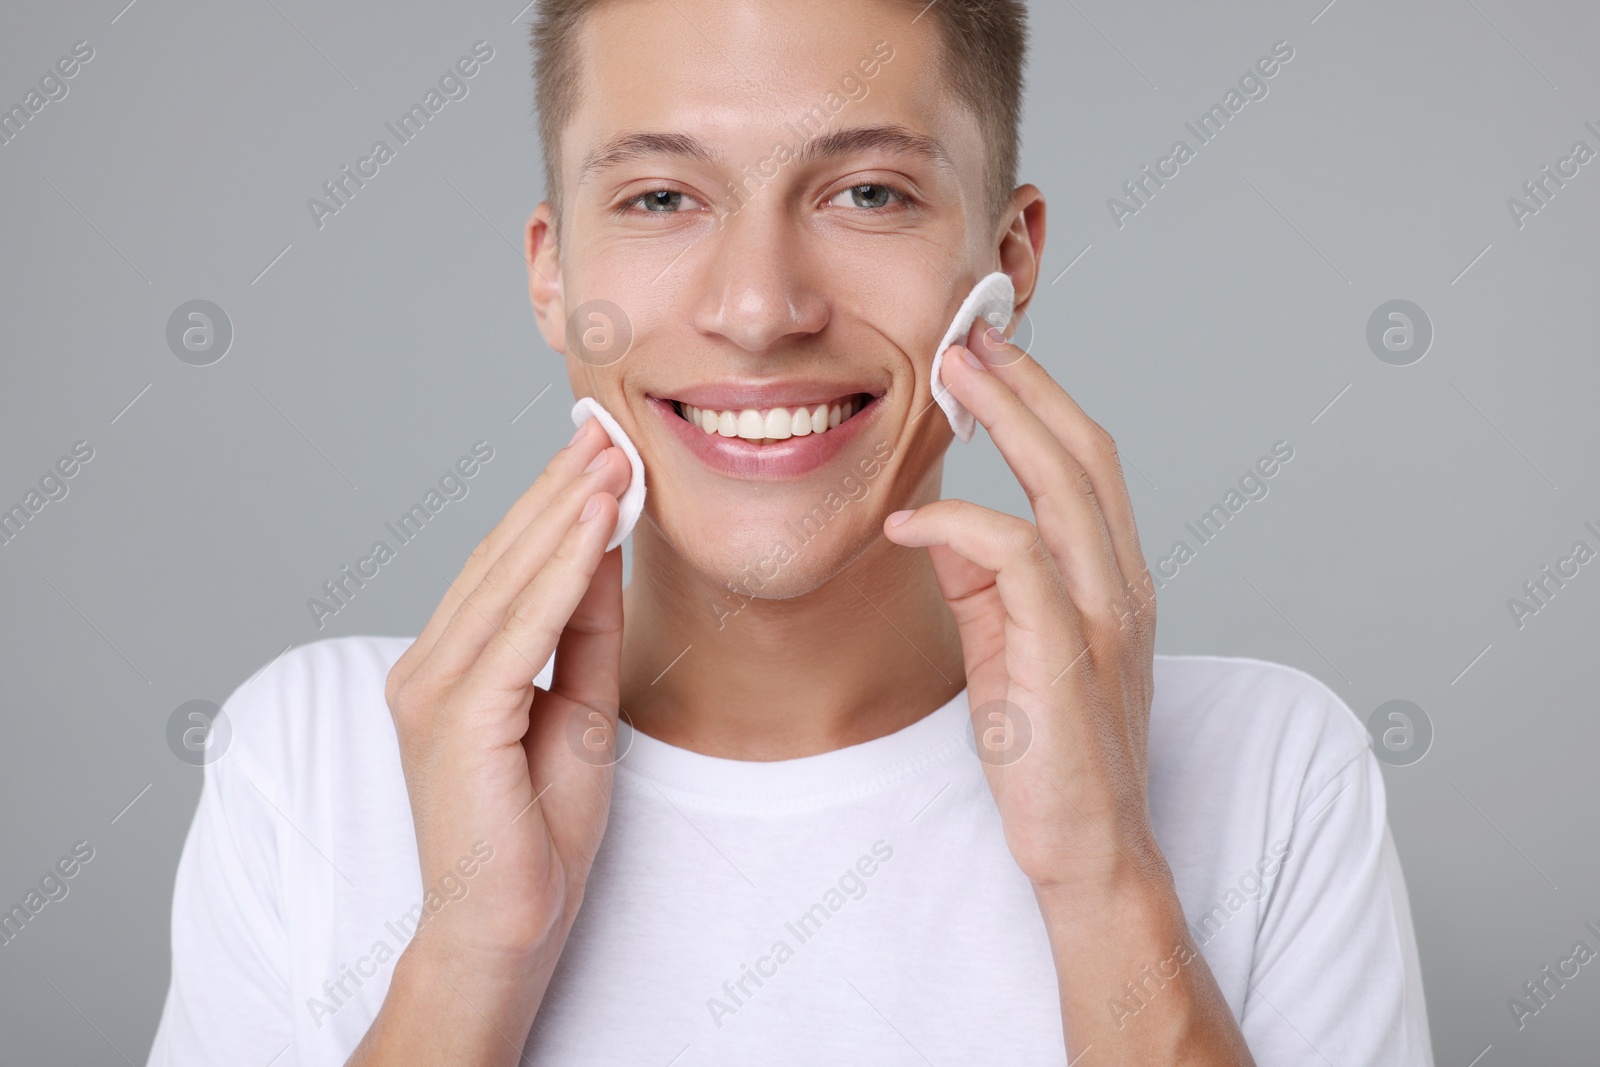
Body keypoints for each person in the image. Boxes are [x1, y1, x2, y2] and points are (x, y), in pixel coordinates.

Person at [147, 1, 1433, 1063]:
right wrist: (470, 960)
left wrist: (1108, 886)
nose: (760, 308)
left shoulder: (1273, 772)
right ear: (554, 275)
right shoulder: (312, 760)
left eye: (868, 191)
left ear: (1009, 256)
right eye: (659, 198)